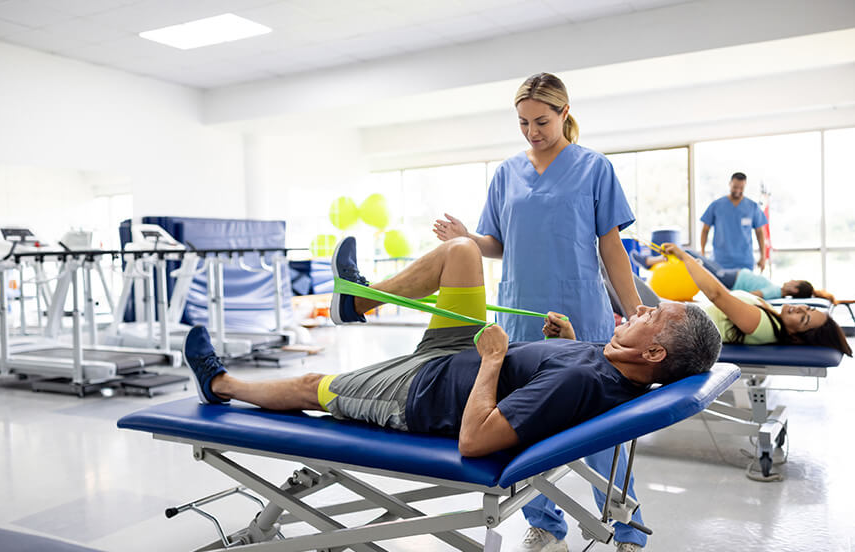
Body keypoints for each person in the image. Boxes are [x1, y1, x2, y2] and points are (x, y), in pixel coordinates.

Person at [184, 236, 721, 509]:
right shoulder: (604, 360)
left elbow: (475, 440)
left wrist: (492, 360)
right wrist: (566, 344)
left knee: (311, 387)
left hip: (422, 393)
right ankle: (357, 303)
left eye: (656, 317)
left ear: (653, 357)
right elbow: (554, 373)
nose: (644, 309)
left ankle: (220, 385)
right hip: (455, 354)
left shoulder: (584, 381)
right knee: (462, 250)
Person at [432, 73, 646, 551]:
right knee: (519, 422)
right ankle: (546, 525)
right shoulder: (507, 172)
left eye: (542, 121)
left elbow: (610, 247)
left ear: (565, 113)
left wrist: (633, 311)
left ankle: (627, 529)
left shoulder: (594, 167)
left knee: (601, 429)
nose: (532, 131)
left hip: (581, 312)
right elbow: (496, 244)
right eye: (524, 122)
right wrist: (465, 237)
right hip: (520, 313)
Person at [662, 243, 851, 356]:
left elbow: (717, 295)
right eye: (808, 309)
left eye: (804, 319)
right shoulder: (773, 316)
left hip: (671, 325)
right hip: (677, 313)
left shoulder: (764, 326)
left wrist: (684, 256)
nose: (800, 310)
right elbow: (725, 298)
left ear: (795, 336)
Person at [632, 248, 814, 300]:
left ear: (795, 290)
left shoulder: (775, 292)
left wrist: (725, 297)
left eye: (794, 282)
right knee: (692, 257)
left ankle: (649, 262)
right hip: (730, 275)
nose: (790, 280)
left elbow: (751, 296)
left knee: (691, 256)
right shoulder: (776, 289)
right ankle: (650, 262)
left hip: (729, 280)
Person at [699, 172, 768, 271]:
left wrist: (763, 256)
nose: (738, 190)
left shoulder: (752, 207)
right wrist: (702, 252)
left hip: (745, 261)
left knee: (745, 286)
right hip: (720, 261)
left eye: (741, 188)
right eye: (735, 187)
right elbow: (705, 229)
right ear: (730, 184)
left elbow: (760, 232)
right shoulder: (717, 205)